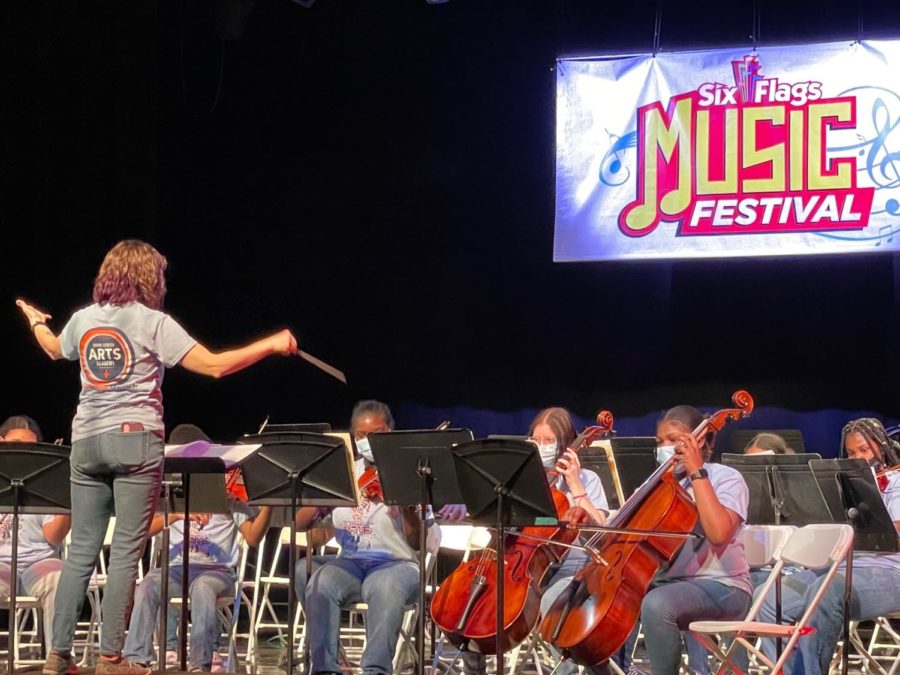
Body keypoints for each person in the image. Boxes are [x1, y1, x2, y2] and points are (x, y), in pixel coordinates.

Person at [17, 239, 298, 675]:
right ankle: (111, 658)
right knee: (127, 549)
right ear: (150, 278)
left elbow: (54, 349)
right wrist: (272, 343)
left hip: (86, 441)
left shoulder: (84, 319)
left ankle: (59, 655)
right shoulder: (152, 322)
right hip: (134, 441)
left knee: (81, 553)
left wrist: (34, 322)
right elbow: (215, 365)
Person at [294, 399, 439, 675]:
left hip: (398, 564)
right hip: (352, 562)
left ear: (390, 433)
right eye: (361, 435)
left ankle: (375, 669)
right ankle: (325, 667)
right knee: (318, 579)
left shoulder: (410, 472)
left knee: (385, 584)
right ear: (353, 437)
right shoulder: (346, 471)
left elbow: (418, 544)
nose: (369, 441)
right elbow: (300, 523)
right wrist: (323, 494)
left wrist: (406, 507)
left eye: (378, 434)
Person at [462, 407, 609, 675]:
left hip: (570, 573)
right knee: (470, 604)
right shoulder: (520, 481)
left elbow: (600, 533)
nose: (541, 448)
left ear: (566, 445)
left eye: (549, 441)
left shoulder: (588, 480)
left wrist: (575, 487)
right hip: (523, 570)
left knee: (552, 603)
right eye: (536, 441)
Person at [122, 423, 272, 671]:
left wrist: (269, 504)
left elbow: (253, 537)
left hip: (217, 571)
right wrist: (176, 515)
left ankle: (200, 662)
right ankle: (136, 658)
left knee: (202, 587)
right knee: (148, 583)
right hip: (178, 568)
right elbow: (141, 531)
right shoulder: (170, 493)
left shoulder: (228, 496)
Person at [755, 417, 900, 674]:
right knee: (768, 596)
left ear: (882, 445)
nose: (858, 458)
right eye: (852, 452)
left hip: (891, 570)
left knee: (828, 589)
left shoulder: (897, 481)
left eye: (864, 450)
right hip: (847, 567)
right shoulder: (845, 484)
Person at [623, 405, 751, 675]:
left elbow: (718, 534)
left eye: (673, 440)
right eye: (660, 442)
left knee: (657, 604)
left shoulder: (725, 478)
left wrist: (696, 473)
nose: (665, 448)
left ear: (699, 439)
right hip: (668, 584)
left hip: (724, 586)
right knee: (601, 599)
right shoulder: (655, 485)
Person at [0, 416, 71, 652]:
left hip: (38, 562)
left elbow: (53, 537)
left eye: (29, 447)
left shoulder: (42, 479)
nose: (22, 452)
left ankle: (57, 657)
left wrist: (67, 502)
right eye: (15, 444)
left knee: (61, 580)